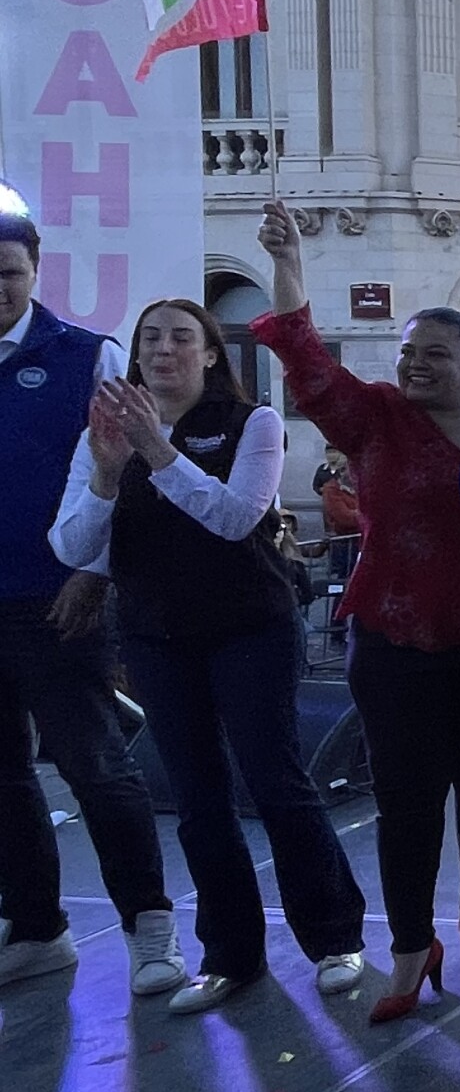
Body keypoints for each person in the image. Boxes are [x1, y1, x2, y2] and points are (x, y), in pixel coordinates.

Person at [252, 201, 460, 1026]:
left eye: (435, 354)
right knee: (407, 799)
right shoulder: (374, 416)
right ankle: (412, 946)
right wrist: (289, 264)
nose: (415, 365)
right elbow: (306, 362)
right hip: (394, 641)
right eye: (409, 351)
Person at [48, 300, 370, 1013]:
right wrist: (107, 476)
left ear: (211, 354)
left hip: (249, 626)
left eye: (181, 337)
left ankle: (335, 938)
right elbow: (72, 545)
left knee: (275, 782)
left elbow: (233, 518)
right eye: (150, 338)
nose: (163, 349)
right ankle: (230, 955)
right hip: (157, 634)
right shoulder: (104, 434)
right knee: (197, 800)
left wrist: (159, 454)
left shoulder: (253, 424)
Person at [0, 210, 183, 996]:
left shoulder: (88, 357)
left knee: (97, 769)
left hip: (56, 601)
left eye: (8, 272)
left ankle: (150, 932)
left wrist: (97, 572)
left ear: (35, 272)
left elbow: (127, 469)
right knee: (4, 779)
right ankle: (37, 929)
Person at [314, 448, 361, 581]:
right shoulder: (331, 489)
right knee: (343, 581)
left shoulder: (360, 489)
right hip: (343, 545)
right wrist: (365, 517)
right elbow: (344, 518)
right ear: (342, 471)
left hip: (360, 543)